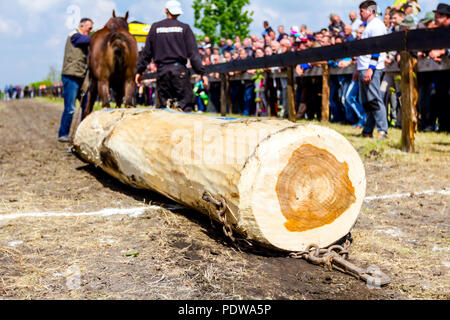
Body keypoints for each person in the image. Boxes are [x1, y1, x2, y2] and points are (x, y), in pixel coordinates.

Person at [135, 0, 205, 112]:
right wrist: (201, 72)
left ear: (166, 10)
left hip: (162, 72)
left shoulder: (155, 28)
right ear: (178, 13)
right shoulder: (184, 28)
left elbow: (146, 53)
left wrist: (139, 71)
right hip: (179, 71)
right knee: (184, 106)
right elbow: (193, 53)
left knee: (165, 107)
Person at [355, 0, 389, 139]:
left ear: (370, 11)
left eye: (362, 11)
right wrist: (358, 69)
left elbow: (377, 48)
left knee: (374, 99)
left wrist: (371, 68)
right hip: (363, 67)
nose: (360, 14)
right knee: (367, 101)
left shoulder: (377, 25)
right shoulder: (368, 26)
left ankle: (383, 130)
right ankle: (368, 130)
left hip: (372, 68)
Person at [58, 17, 93, 143]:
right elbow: (88, 39)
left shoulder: (83, 38)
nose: (90, 31)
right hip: (71, 76)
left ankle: (82, 133)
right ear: (82, 26)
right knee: (70, 108)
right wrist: (100, 36)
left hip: (81, 77)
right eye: (89, 28)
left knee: (86, 105)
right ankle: (63, 134)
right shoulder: (75, 35)